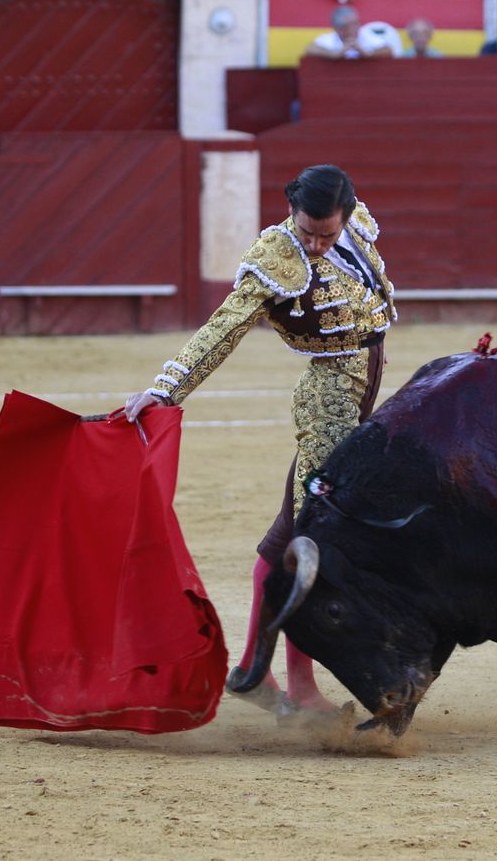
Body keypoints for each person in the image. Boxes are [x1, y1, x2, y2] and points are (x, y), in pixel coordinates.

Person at [122, 165, 396, 717]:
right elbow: (224, 327)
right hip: (330, 399)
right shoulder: (277, 255)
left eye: (327, 233)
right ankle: (299, 686)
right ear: (292, 211)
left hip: (363, 384)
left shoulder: (355, 226)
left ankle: (254, 668)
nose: (316, 244)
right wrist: (167, 387)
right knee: (312, 539)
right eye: (308, 231)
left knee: (292, 534)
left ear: (345, 214)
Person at [304, 5, 396, 58]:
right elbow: (309, 49)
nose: (355, 28)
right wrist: (333, 54)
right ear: (338, 28)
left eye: (356, 23)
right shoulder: (331, 38)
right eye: (349, 25)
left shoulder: (365, 34)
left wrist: (367, 54)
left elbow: (388, 50)